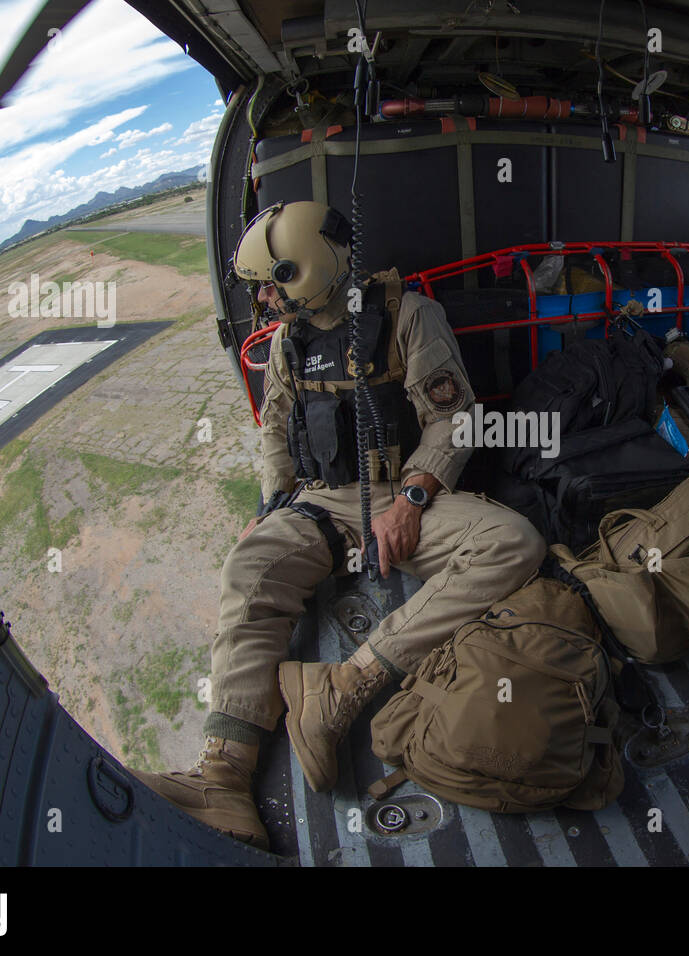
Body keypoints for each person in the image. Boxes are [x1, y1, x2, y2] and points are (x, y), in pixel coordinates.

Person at [131, 201, 545, 849]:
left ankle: (343, 685)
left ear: (308, 270)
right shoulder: (288, 344)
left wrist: (411, 498)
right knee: (248, 567)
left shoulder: (410, 316)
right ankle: (223, 776)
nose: (265, 299)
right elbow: (275, 429)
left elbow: (455, 418)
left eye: (273, 282)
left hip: (404, 495)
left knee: (512, 543)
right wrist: (271, 511)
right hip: (322, 502)